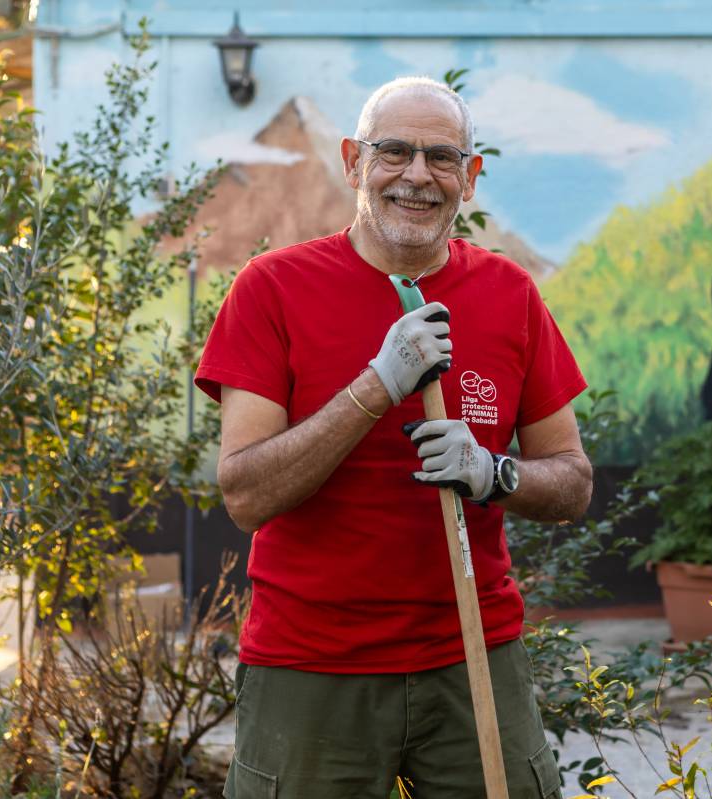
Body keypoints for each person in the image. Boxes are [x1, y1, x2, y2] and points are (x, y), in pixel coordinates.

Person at [195, 76, 592, 799]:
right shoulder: (271, 288)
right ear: (353, 161)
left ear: (470, 178)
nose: (417, 175)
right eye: (394, 152)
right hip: (311, 663)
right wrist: (378, 383)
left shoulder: (510, 295)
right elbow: (245, 492)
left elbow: (571, 481)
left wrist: (493, 471)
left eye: (441, 157)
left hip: (472, 655)